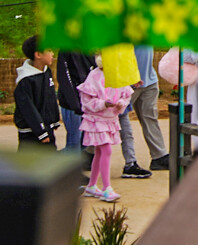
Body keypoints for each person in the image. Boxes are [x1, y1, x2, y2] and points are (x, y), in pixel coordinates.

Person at [78, 54, 133, 202]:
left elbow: (126, 94)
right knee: (106, 150)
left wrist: (121, 103)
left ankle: (91, 185)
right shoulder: (94, 75)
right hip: (97, 120)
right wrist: (103, 104)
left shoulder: (118, 75)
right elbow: (86, 100)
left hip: (110, 119)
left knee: (99, 152)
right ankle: (106, 187)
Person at [120, 44, 169, 176]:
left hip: (149, 80)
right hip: (128, 82)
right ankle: (91, 153)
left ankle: (159, 156)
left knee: (150, 117)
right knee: (115, 119)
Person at [13, 35, 60, 150]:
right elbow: (28, 109)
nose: (52, 54)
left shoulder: (46, 72)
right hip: (31, 133)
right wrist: (41, 132)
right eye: (49, 50)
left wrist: (54, 119)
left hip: (46, 128)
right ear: (38, 55)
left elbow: (50, 97)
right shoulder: (25, 80)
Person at [57, 52, 97, 155]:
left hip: (86, 102)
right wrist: (74, 103)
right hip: (71, 104)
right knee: (73, 144)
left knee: (84, 142)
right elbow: (64, 77)